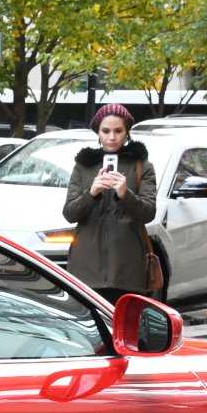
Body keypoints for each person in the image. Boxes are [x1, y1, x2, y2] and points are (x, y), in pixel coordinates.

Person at [61, 102, 159, 302]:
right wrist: (92, 192)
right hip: (86, 269)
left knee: (124, 329)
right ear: (98, 132)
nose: (112, 137)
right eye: (105, 131)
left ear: (127, 132)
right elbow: (70, 213)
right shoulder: (84, 166)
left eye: (118, 131)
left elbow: (148, 213)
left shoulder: (142, 166)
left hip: (127, 270)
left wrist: (125, 194)